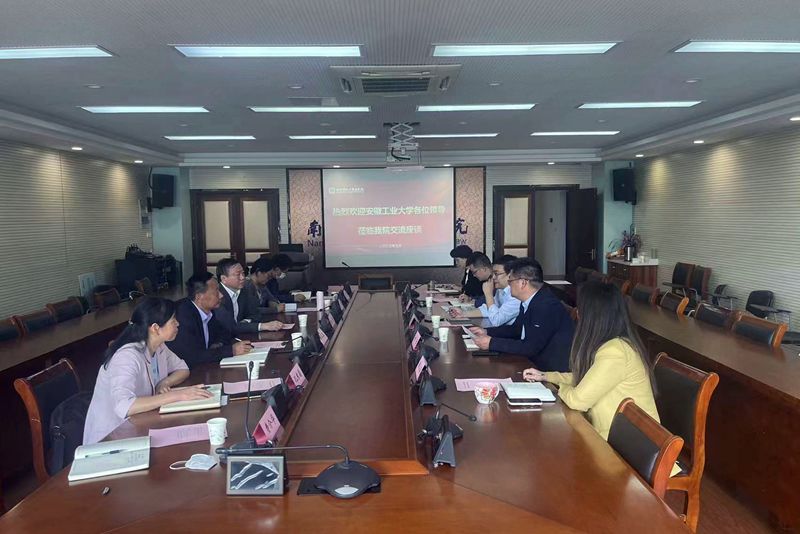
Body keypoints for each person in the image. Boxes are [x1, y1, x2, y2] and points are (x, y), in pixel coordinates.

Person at [522, 281, 660, 440]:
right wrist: (546, 376)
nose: (578, 314)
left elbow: (577, 401)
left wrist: (555, 390)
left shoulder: (616, 352)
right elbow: (586, 379)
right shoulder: (613, 344)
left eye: (580, 310)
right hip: (617, 437)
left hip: (630, 445)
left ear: (592, 317)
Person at [83, 297, 211, 445]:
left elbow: (182, 368)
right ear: (155, 328)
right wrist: (178, 395)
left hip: (138, 426)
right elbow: (124, 406)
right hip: (110, 438)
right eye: (173, 320)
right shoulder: (127, 357)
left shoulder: (159, 346)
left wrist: (165, 383)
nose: (178, 323)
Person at [470, 258, 573, 371]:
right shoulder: (529, 301)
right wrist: (487, 332)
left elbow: (531, 347)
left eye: (510, 281)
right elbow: (517, 329)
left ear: (523, 283)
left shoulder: (546, 305)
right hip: (530, 362)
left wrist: (492, 343)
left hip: (546, 369)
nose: (509, 285)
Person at [167, 272, 254, 368]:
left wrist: (218, 344)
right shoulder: (182, 315)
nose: (221, 295)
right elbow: (192, 356)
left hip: (204, 367)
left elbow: (225, 333)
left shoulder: (209, 311)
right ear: (199, 296)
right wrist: (231, 350)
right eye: (216, 291)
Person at [216, 258, 283, 335]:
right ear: (224, 279)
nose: (242, 277)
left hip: (240, 335)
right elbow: (229, 326)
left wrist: (245, 322)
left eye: (243, 273)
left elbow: (256, 314)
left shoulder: (243, 291)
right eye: (238, 274)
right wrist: (262, 326)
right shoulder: (217, 296)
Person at [450, 255, 520, 326]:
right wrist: (463, 314)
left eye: (496, 274)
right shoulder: (501, 290)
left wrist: (488, 294)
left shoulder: (517, 295)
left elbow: (496, 320)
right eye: (493, 273)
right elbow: (488, 309)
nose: (493, 277)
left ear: (511, 274)